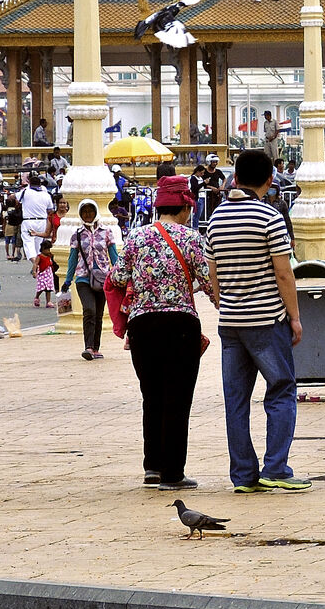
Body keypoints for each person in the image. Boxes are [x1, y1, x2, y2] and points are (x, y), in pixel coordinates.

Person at [110, 173, 218, 489]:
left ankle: (152, 467)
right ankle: (173, 474)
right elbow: (211, 284)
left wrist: (144, 286)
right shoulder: (192, 239)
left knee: (152, 395)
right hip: (180, 325)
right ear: (185, 207)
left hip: (143, 327)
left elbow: (117, 279)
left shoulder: (135, 238)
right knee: (178, 397)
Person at [208, 151, 307, 493]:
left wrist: (227, 303)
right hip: (267, 320)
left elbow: (213, 275)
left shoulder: (216, 218)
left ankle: (243, 476)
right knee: (281, 390)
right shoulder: (270, 217)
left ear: (235, 178)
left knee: (236, 400)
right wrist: (294, 317)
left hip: (231, 323)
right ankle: (276, 468)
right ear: (270, 180)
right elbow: (283, 273)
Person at [64, 199, 116, 360]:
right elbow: (73, 258)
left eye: (90, 211)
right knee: (90, 310)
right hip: (83, 279)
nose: (87, 215)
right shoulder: (77, 235)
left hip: (102, 278)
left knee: (99, 314)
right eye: (84, 212)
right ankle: (88, 347)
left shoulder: (106, 232)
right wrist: (67, 280)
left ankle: (95, 348)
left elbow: (114, 256)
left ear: (95, 212)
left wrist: (121, 276)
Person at [31, 241, 58, 308]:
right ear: (43, 249)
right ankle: (37, 297)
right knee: (41, 287)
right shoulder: (40, 256)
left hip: (49, 274)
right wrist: (34, 271)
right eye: (48, 249)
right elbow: (35, 264)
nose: (49, 251)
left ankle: (48, 302)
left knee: (48, 288)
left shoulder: (50, 256)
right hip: (42, 274)